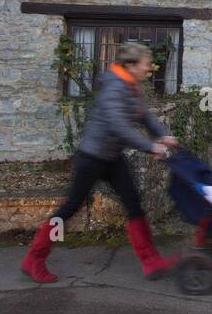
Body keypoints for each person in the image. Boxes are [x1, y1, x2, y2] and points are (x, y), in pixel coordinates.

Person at [22, 42, 179, 283]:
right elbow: (120, 127)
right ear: (131, 65)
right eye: (146, 64)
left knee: (133, 203)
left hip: (112, 157)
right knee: (70, 208)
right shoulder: (114, 88)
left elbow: (144, 116)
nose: (150, 68)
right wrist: (151, 146)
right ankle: (34, 257)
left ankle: (151, 261)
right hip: (91, 158)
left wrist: (163, 134)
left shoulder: (131, 85)